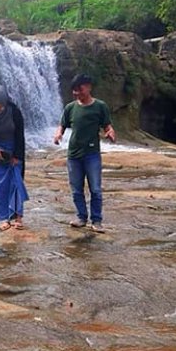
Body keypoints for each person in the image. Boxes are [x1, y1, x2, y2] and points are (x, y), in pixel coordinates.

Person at [53, 73, 116, 233]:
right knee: (76, 189)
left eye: (79, 89)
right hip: (73, 155)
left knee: (95, 188)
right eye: (74, 90)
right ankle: (81, 217)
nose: (77, 93)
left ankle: (96, 220)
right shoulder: (70, 108)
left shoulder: (100, 106)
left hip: (92, 154)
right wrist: (58, 134)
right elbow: (62, 125)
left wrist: (110, 132)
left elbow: (107, 125)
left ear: (88, 87)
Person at [0, 85, 29, 231]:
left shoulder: (14, 112)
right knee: (0, 186)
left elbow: (20, 135)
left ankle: (18, 217)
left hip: (13, 150)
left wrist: (17, 156)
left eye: (0, 107)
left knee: (16, 184)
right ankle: (3, 218)